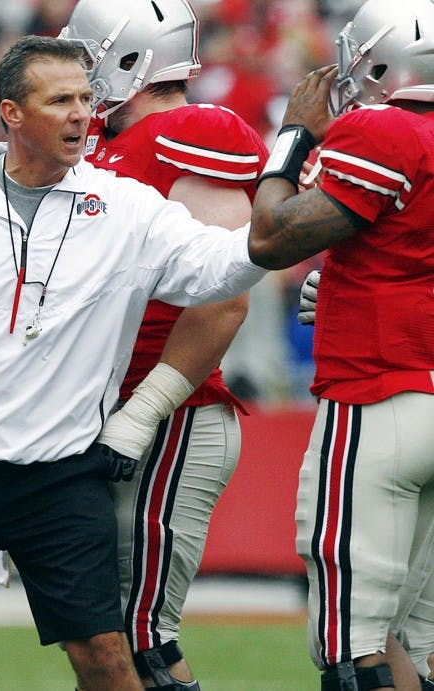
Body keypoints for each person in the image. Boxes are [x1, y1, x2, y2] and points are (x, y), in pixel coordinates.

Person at [0, 34, 266, 691]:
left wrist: (289, 221)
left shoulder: (124, 202)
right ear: (11, 112)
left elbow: (221, 275)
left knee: (117, 652)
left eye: (86, 96)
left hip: (61, 469)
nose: (83, 111)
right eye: (61, 100)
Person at [59, 1, 268, 688]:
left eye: (86, 56)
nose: (76, 76)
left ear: (129, 57)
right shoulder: (101, 151)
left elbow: (225, 295)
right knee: (99, 635)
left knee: (142, 634)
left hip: (172, 414)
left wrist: (144, 408)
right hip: (107, 416)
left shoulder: (193, 130)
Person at [247, 0, 434, 689]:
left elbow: (270, 237)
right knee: (420, 638)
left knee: (351, 644)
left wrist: (293, 136)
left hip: (377, 397)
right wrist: (350, 288)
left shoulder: (384, 130)